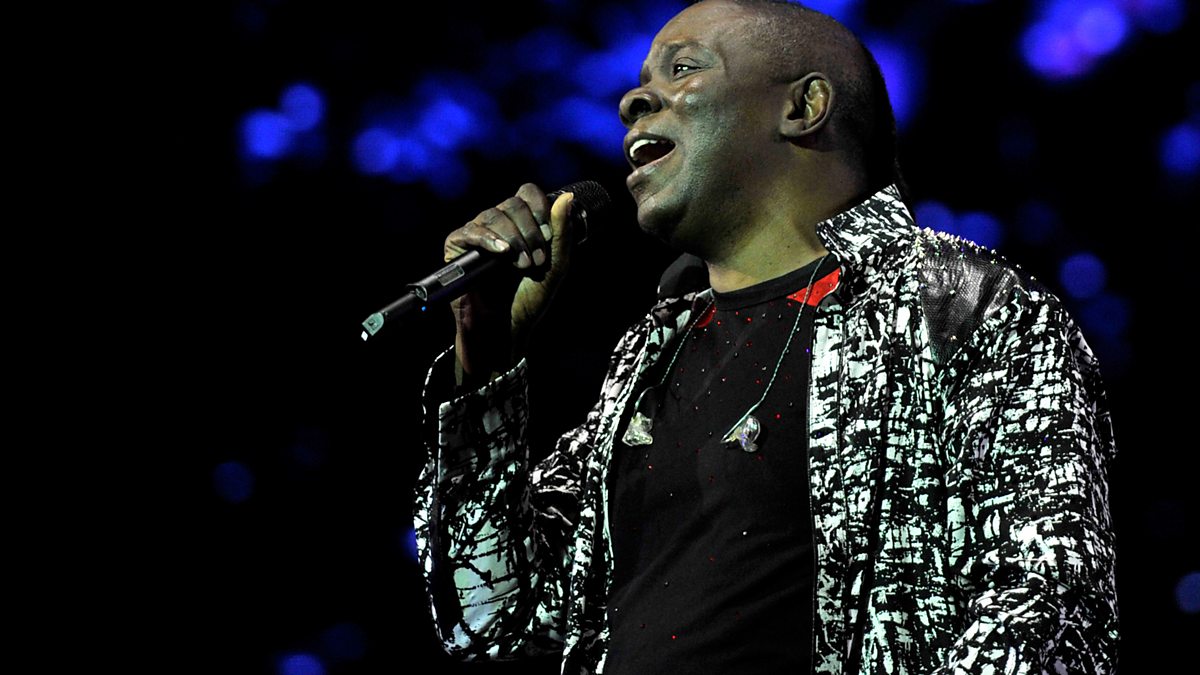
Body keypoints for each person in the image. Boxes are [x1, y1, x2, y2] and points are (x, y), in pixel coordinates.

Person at [412, 0, 1119, 672]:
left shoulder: (959, 303)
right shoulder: (651, 357)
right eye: (641, 81)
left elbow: (1051, 604)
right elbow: (492, 614)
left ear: (803, 107)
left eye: (682, 68)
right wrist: (485, 357)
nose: (633, 101)